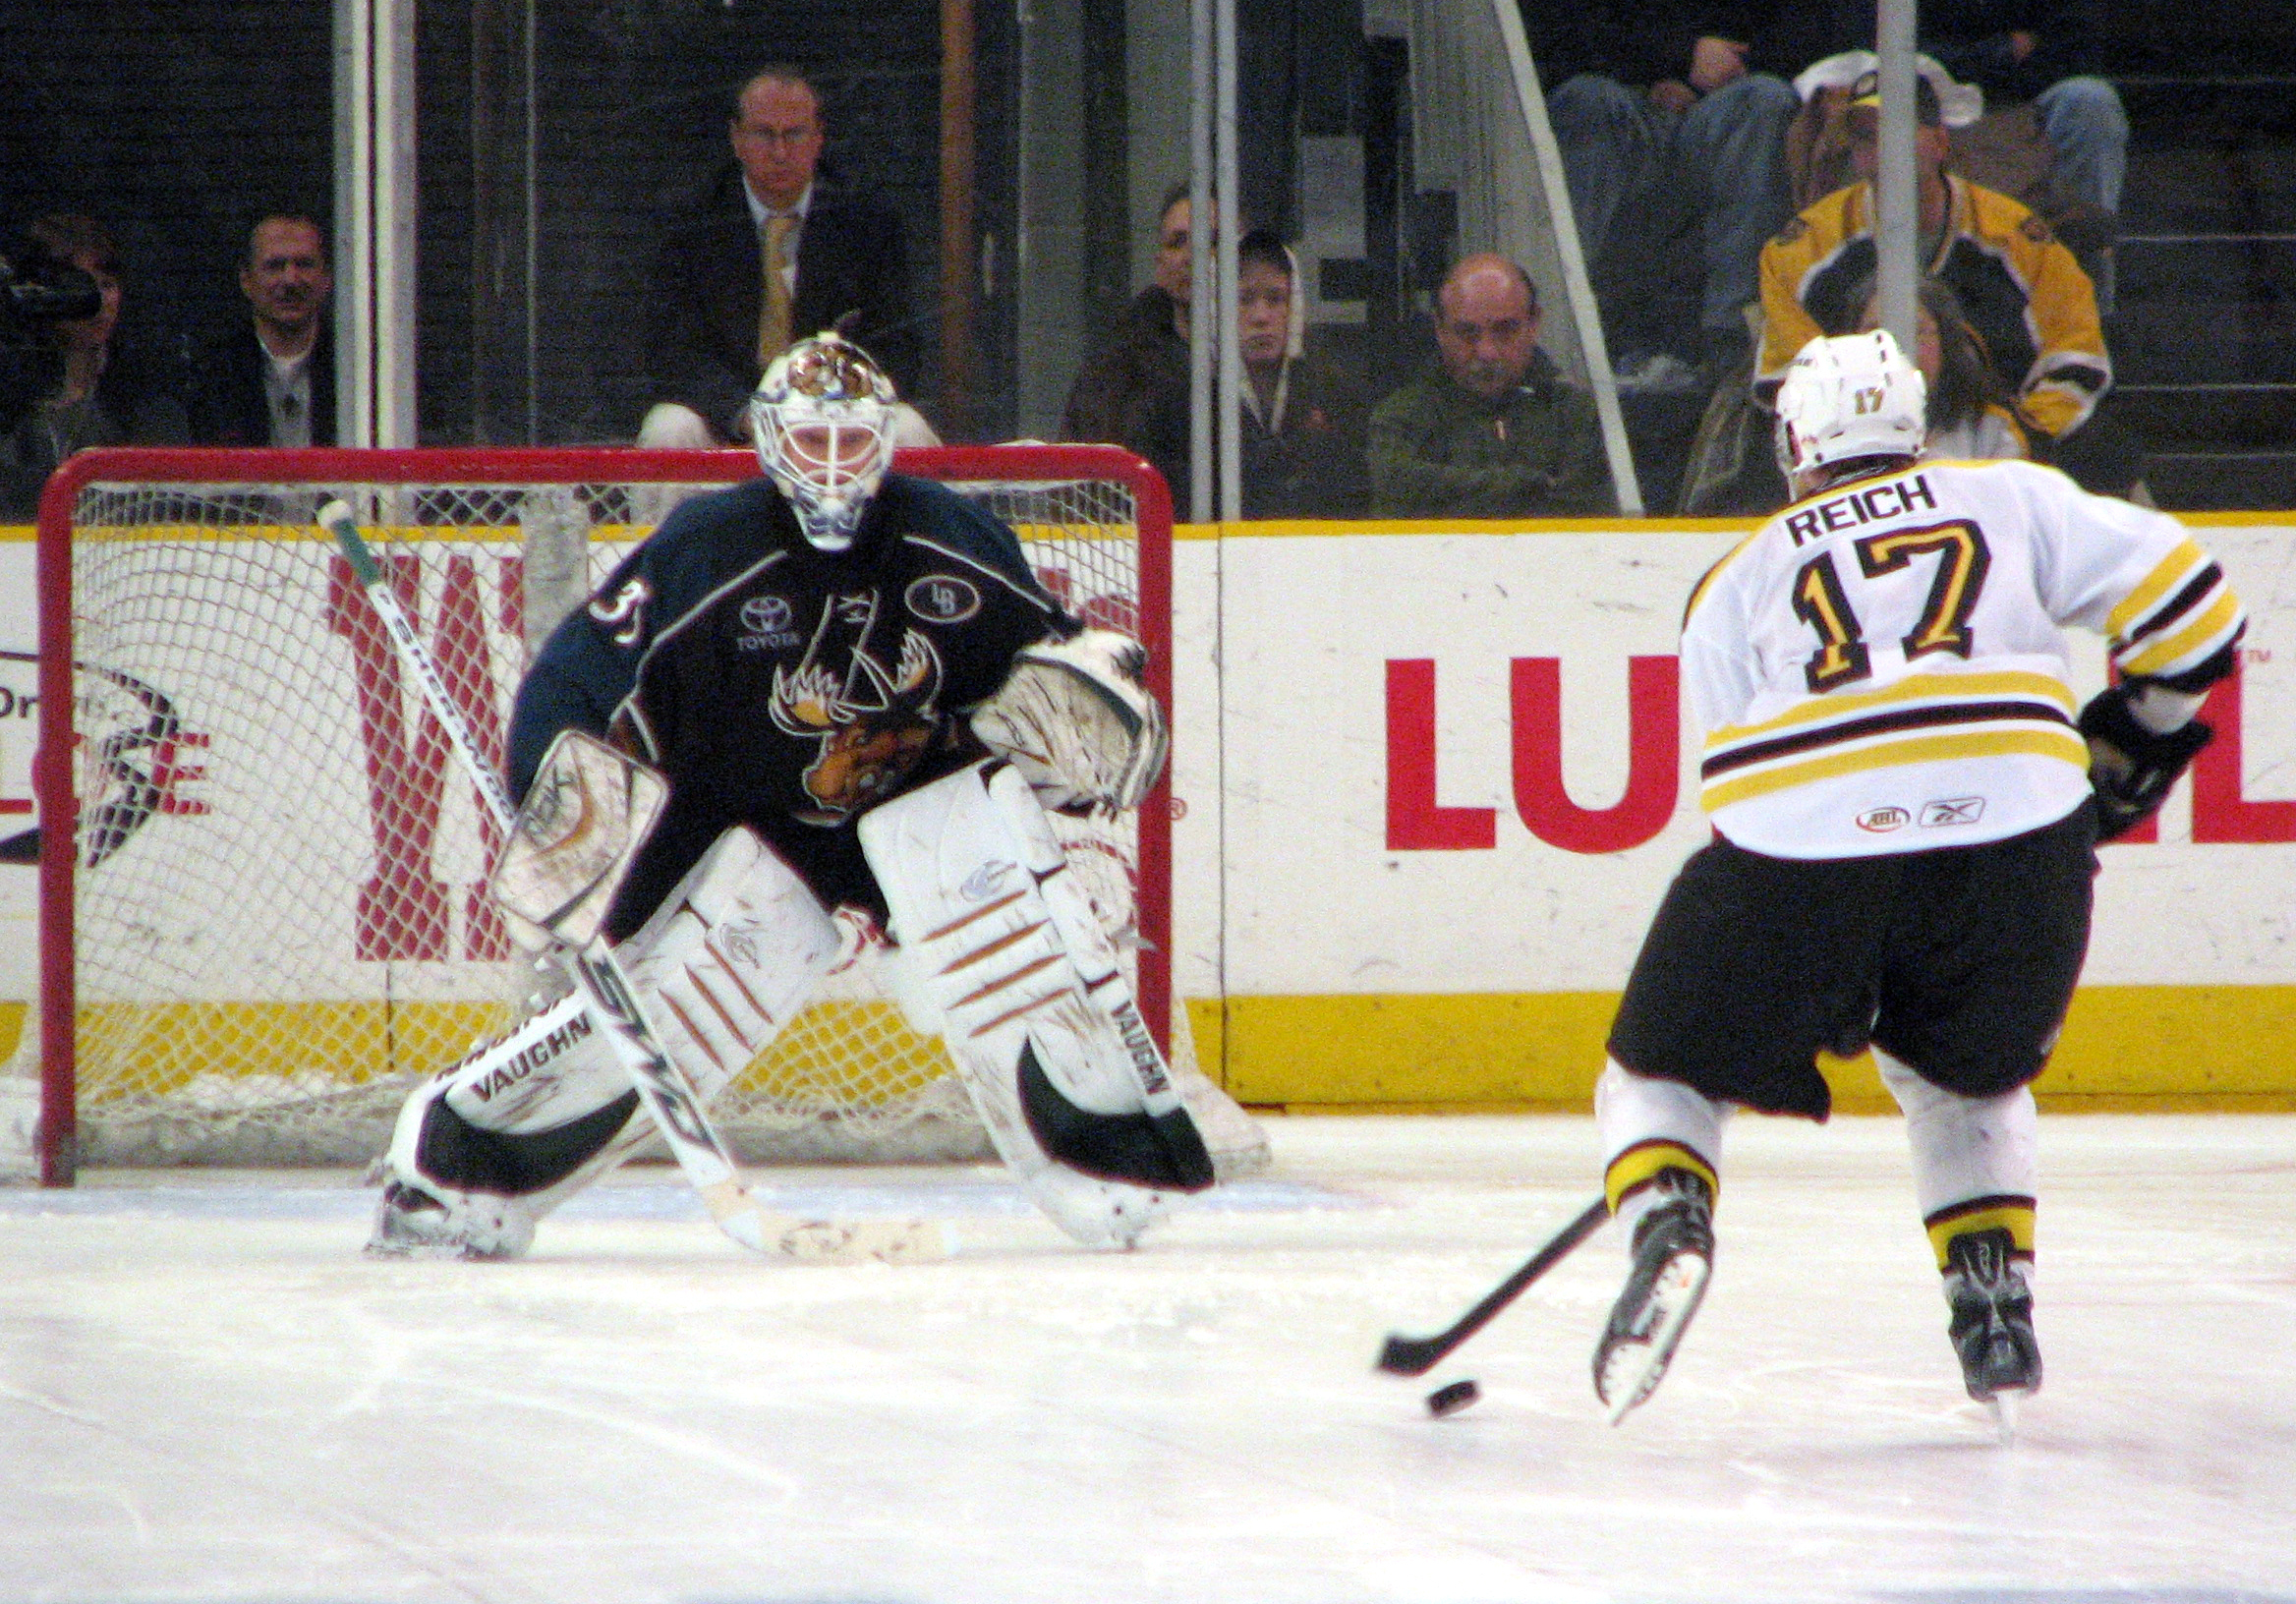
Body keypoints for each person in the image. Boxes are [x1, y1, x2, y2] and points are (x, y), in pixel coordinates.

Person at [369, 334, 1209, 1260]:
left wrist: (1096, 694)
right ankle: (449, 1165)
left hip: (909, 806)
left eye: (854, 442)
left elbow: (1059, 661)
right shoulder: (708, 547)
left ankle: (1108, 1163)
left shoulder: (951, 538)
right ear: (771, 443)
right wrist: (551, 807)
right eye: (814, 443)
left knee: (1009, 900)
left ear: (886, 441)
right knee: (667, 1013)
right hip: (736, 813)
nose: (836, 468)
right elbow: (575, 676)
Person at [1588, 330, 2246, 1423]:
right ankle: (1991, 1307)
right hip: (2020, 835)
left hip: (1805, 841)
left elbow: (1737, 795)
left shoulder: (1736, 576)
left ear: (1792, 446)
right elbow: (2196, 605)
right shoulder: (2011, 496)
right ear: (1915, 428)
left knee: (1653, 1076)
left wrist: (1834, 956)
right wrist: (2141, 727)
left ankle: (1667, 1214)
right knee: (1963, 1080)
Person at [1755, 72, 2110, 454]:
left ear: (1940, 141)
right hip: (1854, 454)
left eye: (1897, 131)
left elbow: (2076, 358)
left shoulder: (2019, 239)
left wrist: (2016, 441)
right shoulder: (1798, 251)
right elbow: (1788, 379)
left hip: (2004, 447)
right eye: (1864, 136)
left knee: (2108, 454)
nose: (1881, 149)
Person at [1530, 2, 1818, 375]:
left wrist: (1717, 78)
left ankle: (1733, 345)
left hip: (1722, 112)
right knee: (1586, 101)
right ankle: (1570, 334)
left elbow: (1807, 36)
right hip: (1622, 108)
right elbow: (1554, 33)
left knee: (1765, 100)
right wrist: (1678, 58)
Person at [639, 67, 919, 448]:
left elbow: (897, 347)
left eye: (795, 134)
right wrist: (745, 413)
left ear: (819, 138)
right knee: (668, 430)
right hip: (729, 417)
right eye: (764, 135)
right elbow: (673, 351)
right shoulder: (692, 219)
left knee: (908, 430)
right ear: (736, 139)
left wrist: (828, 410)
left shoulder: (867, 220)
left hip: (836, 417)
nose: (780, 153)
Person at [1366, 254, 1610, 517]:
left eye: (1505, 330)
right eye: (1467, 332)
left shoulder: (1578, 414)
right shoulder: (1402, 417)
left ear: (1534, 323)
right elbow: (1397, 497)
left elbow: (1584, 512)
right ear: (1439, 328)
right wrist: (1526, 484)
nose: (1487, 352)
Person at [0, 215, 188, 521]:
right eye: (79, 285)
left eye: (107, 284)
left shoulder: (144, 390)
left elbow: (159, 500)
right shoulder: (13, 391)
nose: (97, 301)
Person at [1061, 182, 1194, 503]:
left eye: (1212, 241)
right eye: (1178, 242)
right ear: (1159, 264)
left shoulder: (1270, 362)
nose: (1192, 256)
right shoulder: (1117, 366)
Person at [1234, 227, 1367, 518]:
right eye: (1244, 299)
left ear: (1295, 305)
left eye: (1276, 299)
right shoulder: (1194, 400)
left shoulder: (1334, 394)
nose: (1261, 317)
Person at [184, 213, 336, 448]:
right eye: (274, 266)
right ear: (246, 280)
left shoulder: (353, 371)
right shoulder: (209, 374)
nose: (291, 280)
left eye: (304, 264)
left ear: (327, 278)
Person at [1858, 277, 2036, 462]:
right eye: (1875, 334)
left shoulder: (1991, 431)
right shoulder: (1829, 435)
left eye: (1916, 331)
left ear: (1946, 342)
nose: (1895, 349)